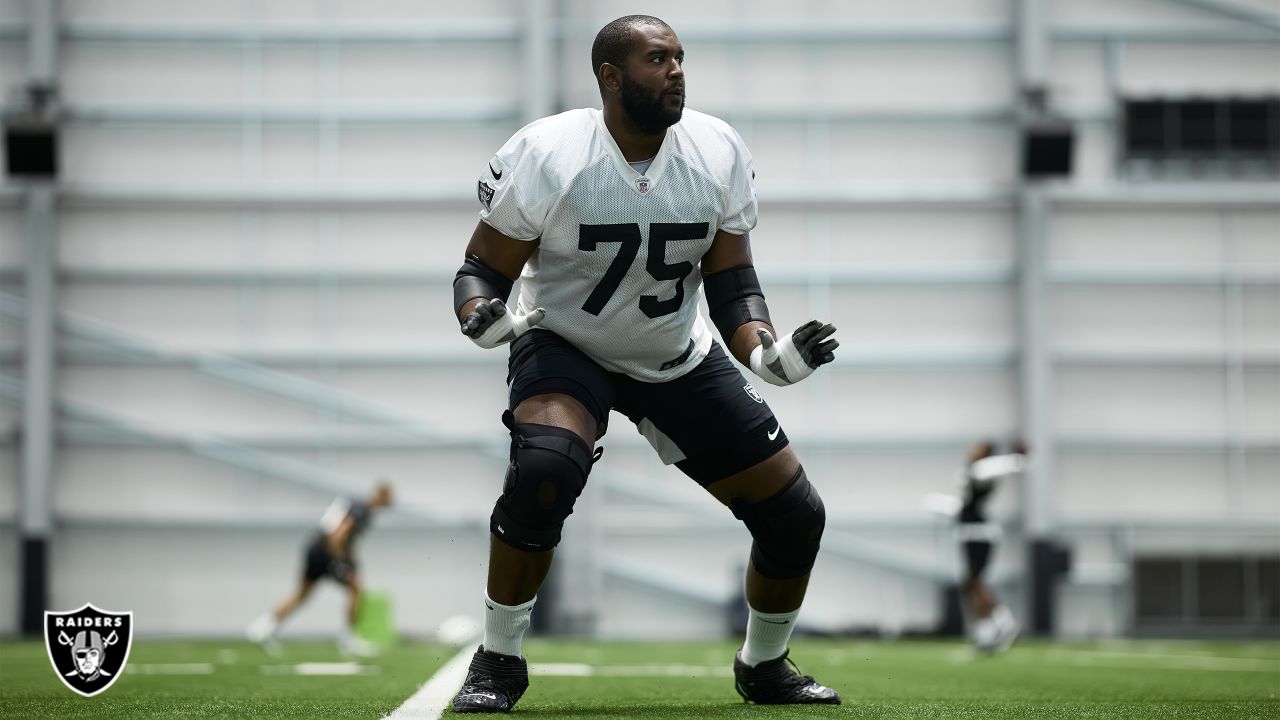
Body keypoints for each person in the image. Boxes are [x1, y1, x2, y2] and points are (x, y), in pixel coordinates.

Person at [449, 15, 842, 713]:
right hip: (567, 341)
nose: (677, 71)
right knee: (545, 467)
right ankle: (498, 659)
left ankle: (765, 665)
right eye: (659, 59)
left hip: (672, 351)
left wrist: (769, 356)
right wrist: (482, 318)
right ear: (610, 75)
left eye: (681, 57)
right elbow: (482, 268)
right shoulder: (549, 151)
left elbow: (731, 284)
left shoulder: (716, 148)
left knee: (794, 515)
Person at [247, 481, 393, 656]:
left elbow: (345, 538)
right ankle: (348, 638)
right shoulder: (362, 509)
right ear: (381, 496)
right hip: (325, 551)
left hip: (315, 547)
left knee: (302, 594)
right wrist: (339, 561)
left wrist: (350, 559)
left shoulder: (357, 505)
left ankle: (262, 626)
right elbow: (338, 534)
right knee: (355, 588)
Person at [955, 440, 1025, 653]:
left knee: (975, 582)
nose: (972, 448)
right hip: (968, 531)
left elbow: (1001, 466)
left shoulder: (982, 469)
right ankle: (985, 632)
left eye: (979, 447)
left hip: (979, 532)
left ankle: (1005, 624)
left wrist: (1018, 458)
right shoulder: (972, 469)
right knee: (970, 584)